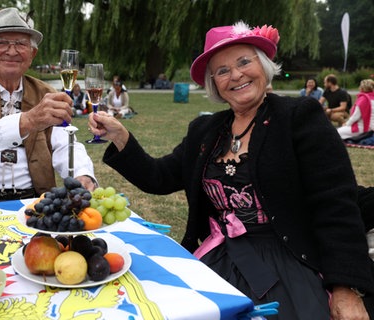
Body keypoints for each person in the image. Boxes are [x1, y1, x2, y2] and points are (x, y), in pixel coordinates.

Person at [88, 21, 373, 319]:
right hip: (220, 258)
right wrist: (121, 137)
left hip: (289, 262)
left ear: (263, 66)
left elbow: (336, 204)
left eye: (244, 62)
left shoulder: (299, 118)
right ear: (215, 84)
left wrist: (345, 288)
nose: (236, 74)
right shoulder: (205, 131)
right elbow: (157, 177)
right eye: (222, 70)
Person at [0, 7, 96, 207]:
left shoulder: (46, 93)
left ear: (32, 53)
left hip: (36, 202)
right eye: (1, 42)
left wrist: (82, 173)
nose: (11, 51)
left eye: (20, 43)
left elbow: (64, 143)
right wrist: (28, 121)